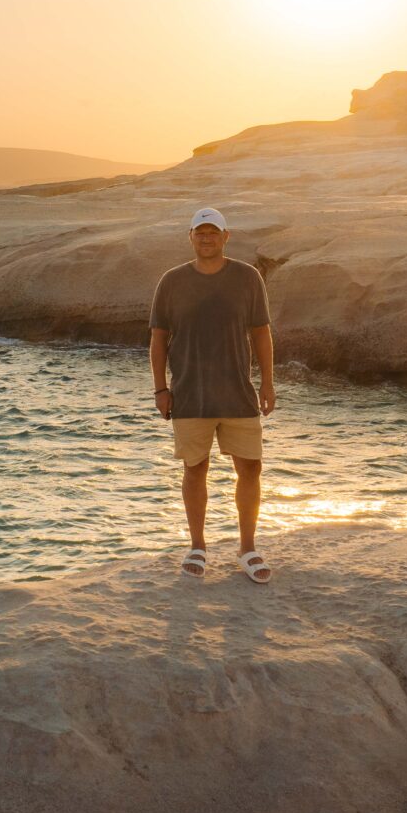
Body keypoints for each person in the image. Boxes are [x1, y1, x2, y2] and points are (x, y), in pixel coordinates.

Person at [149, 207, 276, 583]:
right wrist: (160, 388)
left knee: (250, 468)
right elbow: (158, 339)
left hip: (238, 392)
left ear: (226, 237)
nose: (206, 238)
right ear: (190, 237)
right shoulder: (172, 281)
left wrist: (268, 384)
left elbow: (261, 333)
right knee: (194, 469)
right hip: (190, 393)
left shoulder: (248, 277)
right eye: (200, 232)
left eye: (213, 232)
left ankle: (247, 548)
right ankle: (197, 547)